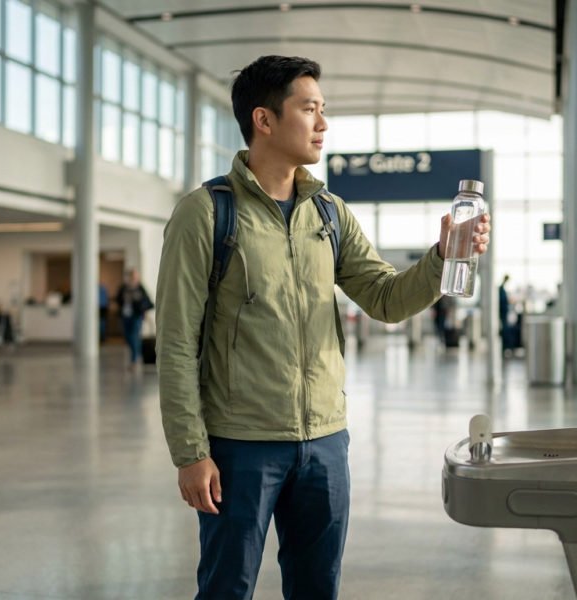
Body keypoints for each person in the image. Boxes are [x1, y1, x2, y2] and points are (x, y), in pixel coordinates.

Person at [155, 55, 491, 600]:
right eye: (309, 108)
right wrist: (191, 452)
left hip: (325, 443)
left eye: (323, 109)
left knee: (317, 587)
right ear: (264, 120)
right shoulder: (206, 213)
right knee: (226, 587)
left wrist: (442, 256)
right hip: (240, 444)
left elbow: (384, 298)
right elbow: (174, 342)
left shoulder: (329, 213)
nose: (322, 124)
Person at [116, 268, 153, 370]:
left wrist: (141, 307)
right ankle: (137, 354)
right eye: (132, 276)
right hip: (126, 315)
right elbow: (118, 299)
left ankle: (134, 360)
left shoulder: (140, 288)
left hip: (136, 316)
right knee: (128, 336)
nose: (133, 278)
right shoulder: (123, 288)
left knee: (134, 336)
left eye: (135, 277)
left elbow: (148, 303)